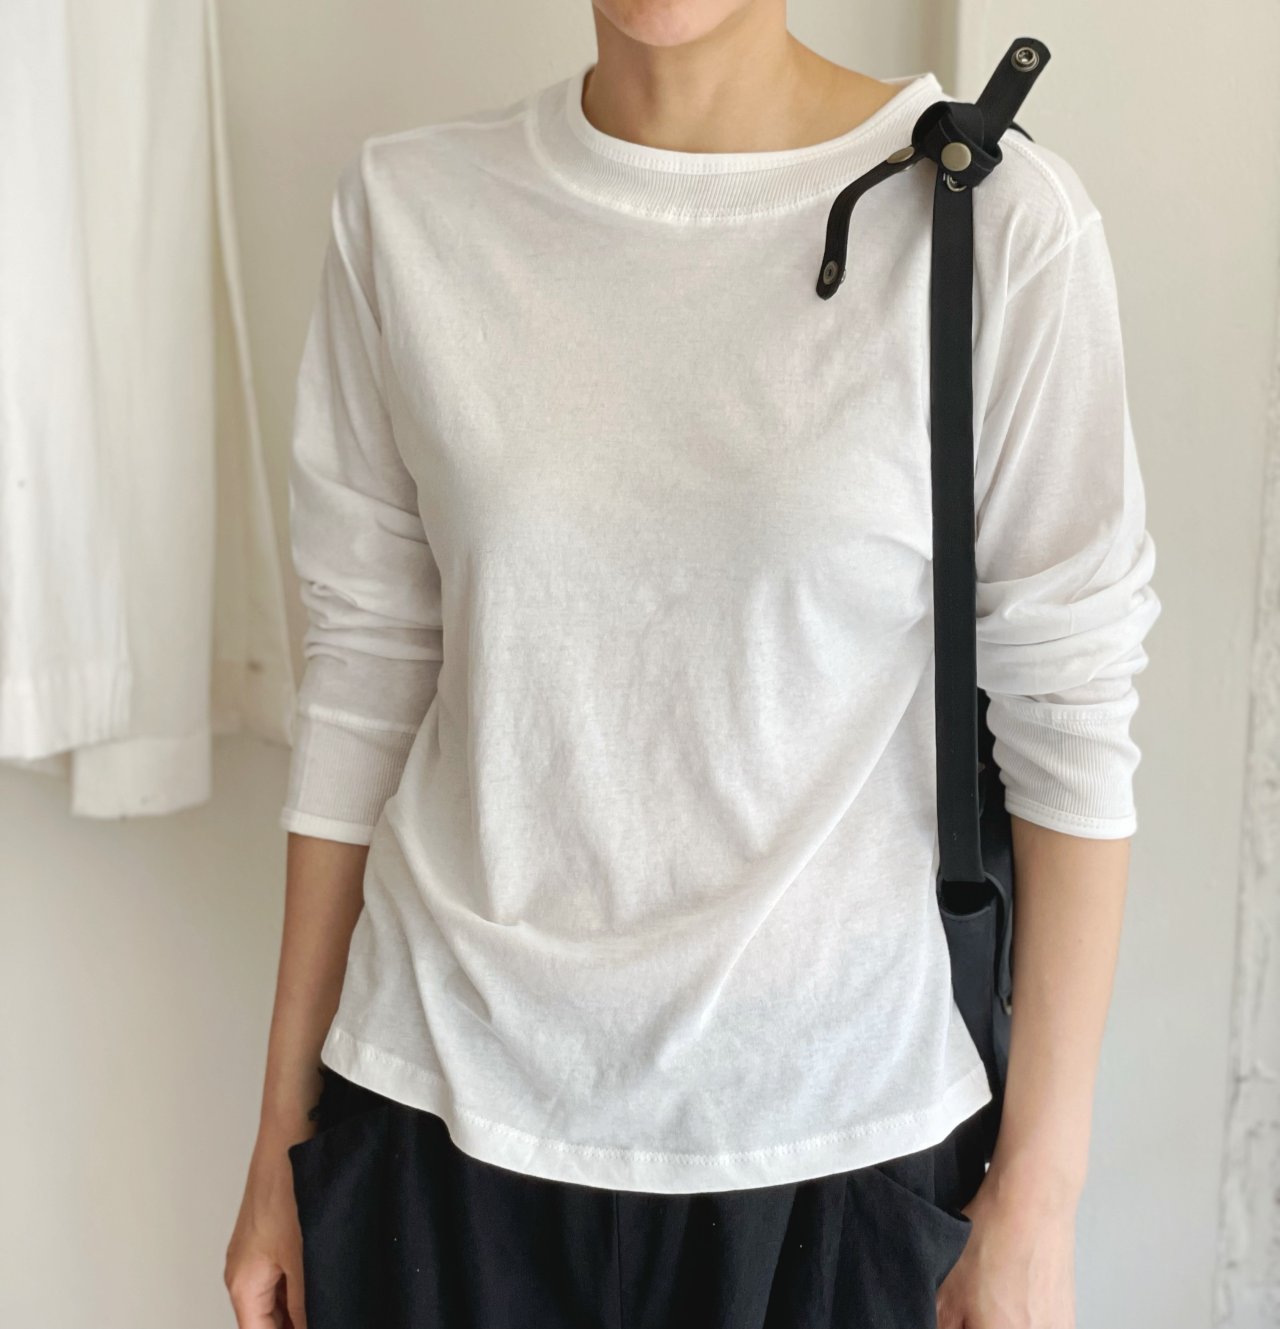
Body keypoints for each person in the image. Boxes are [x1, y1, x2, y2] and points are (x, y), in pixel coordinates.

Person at [224, 4, 1161, 1327]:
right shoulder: (410, 207)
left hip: (837, 1141)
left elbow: (1071, 710)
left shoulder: (991, 218)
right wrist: (282, 1133)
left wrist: (1041, 1204)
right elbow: (368, 671)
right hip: (438, 1118)